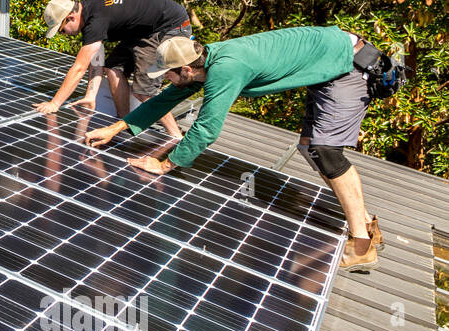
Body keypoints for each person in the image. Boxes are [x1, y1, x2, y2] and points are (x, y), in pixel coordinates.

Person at [82, 26, 385, 272]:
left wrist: (163, 165)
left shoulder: (226, 69)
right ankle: (366, 221)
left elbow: (207, 128)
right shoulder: (206, 59)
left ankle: (361, 245)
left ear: (186, 69)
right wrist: (117, 127)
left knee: (325, 151)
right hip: (328, 59)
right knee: (309, 148)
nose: (166, 81)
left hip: (348, 65)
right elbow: (164, 101)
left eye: (168, 75)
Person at [37, 0, 191, 138]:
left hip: (168, 27)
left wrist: (55, 103)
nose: (64, 35)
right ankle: (124, 121)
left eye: (62, 30)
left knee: (144, 91)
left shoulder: (96, 20)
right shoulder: (88, 11)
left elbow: (79, 68)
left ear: (71, 17)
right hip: (142, 30)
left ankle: (175, 136)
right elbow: (96, 59)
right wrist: (91, 96)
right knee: (112, 68)